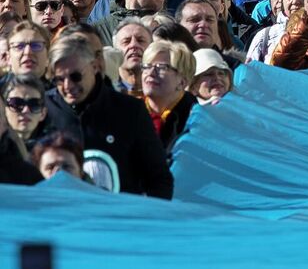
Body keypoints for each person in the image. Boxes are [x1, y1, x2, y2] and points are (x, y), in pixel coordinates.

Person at [44, 33, 173, 197]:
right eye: (59, 79)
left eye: (76, 77)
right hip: (60, 216)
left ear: (95, 66)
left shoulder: (129, 110)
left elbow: (158, 177)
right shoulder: (44, 108)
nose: (68, 86)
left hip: (117, 217)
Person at [139, 38, 198, 158]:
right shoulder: (126, 112)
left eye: (161, 67)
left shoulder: (196, 119)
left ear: (182, 81)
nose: (150, 73)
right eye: (146, 66)